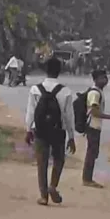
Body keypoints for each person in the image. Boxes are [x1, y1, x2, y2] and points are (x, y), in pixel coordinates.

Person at [25, 55, 71, 205]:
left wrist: (28, 130)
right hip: (58, 131)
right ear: (60, 71)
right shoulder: (65, 92)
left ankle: (43, 196)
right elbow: (68, 117)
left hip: (40, 130)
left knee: (42, 162)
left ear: (45, 70)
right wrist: (71, 137)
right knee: (58, 159)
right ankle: (53, 185)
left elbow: (31, 112)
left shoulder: (35, 89)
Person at [78, 66, 110, 189]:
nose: (105, 80)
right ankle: (87, 179)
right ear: (96, 79)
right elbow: (94, 112)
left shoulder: (98, 91)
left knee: (93, 152)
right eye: (102, 78)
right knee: (91, 152)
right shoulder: (94, 93)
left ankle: (88, 177)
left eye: (106, 77)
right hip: (92, 126)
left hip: (95, 126)